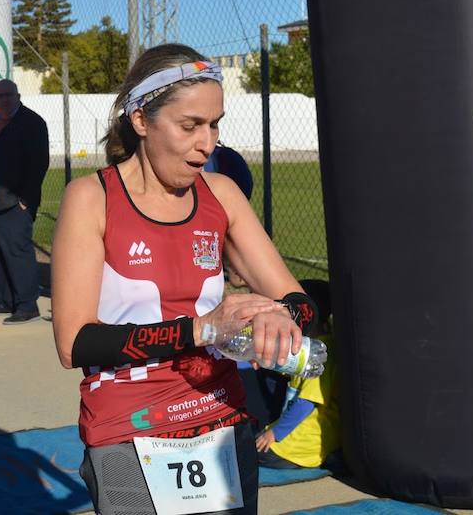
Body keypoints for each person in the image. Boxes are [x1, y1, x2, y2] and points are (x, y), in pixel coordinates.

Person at [51, 44, 311, 515]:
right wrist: (202, 328)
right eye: (190, 126)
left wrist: (274, 314)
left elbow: (300, 301)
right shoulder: (91, 198)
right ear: (141, 120)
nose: (207, 144)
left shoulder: (222, 193)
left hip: (219, 414)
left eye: (215, 125)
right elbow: (75, 344)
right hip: (129, 424)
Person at [0, 79, 49, 324]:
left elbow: (38, 164)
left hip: (13, 202)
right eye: (0, 96)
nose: (4, 99)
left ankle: (27, 305)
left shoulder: (31, 122)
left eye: (8, 95)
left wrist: (25, 201)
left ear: (17, 95)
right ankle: (8, 301)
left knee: (17, 253)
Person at [256, 279, 340, 471]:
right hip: (296, 431)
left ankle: (326, 456)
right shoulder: (312, 344)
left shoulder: (321, 352)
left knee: (252, 451)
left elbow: (306, 403)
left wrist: (275, 434)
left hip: (304, 441)